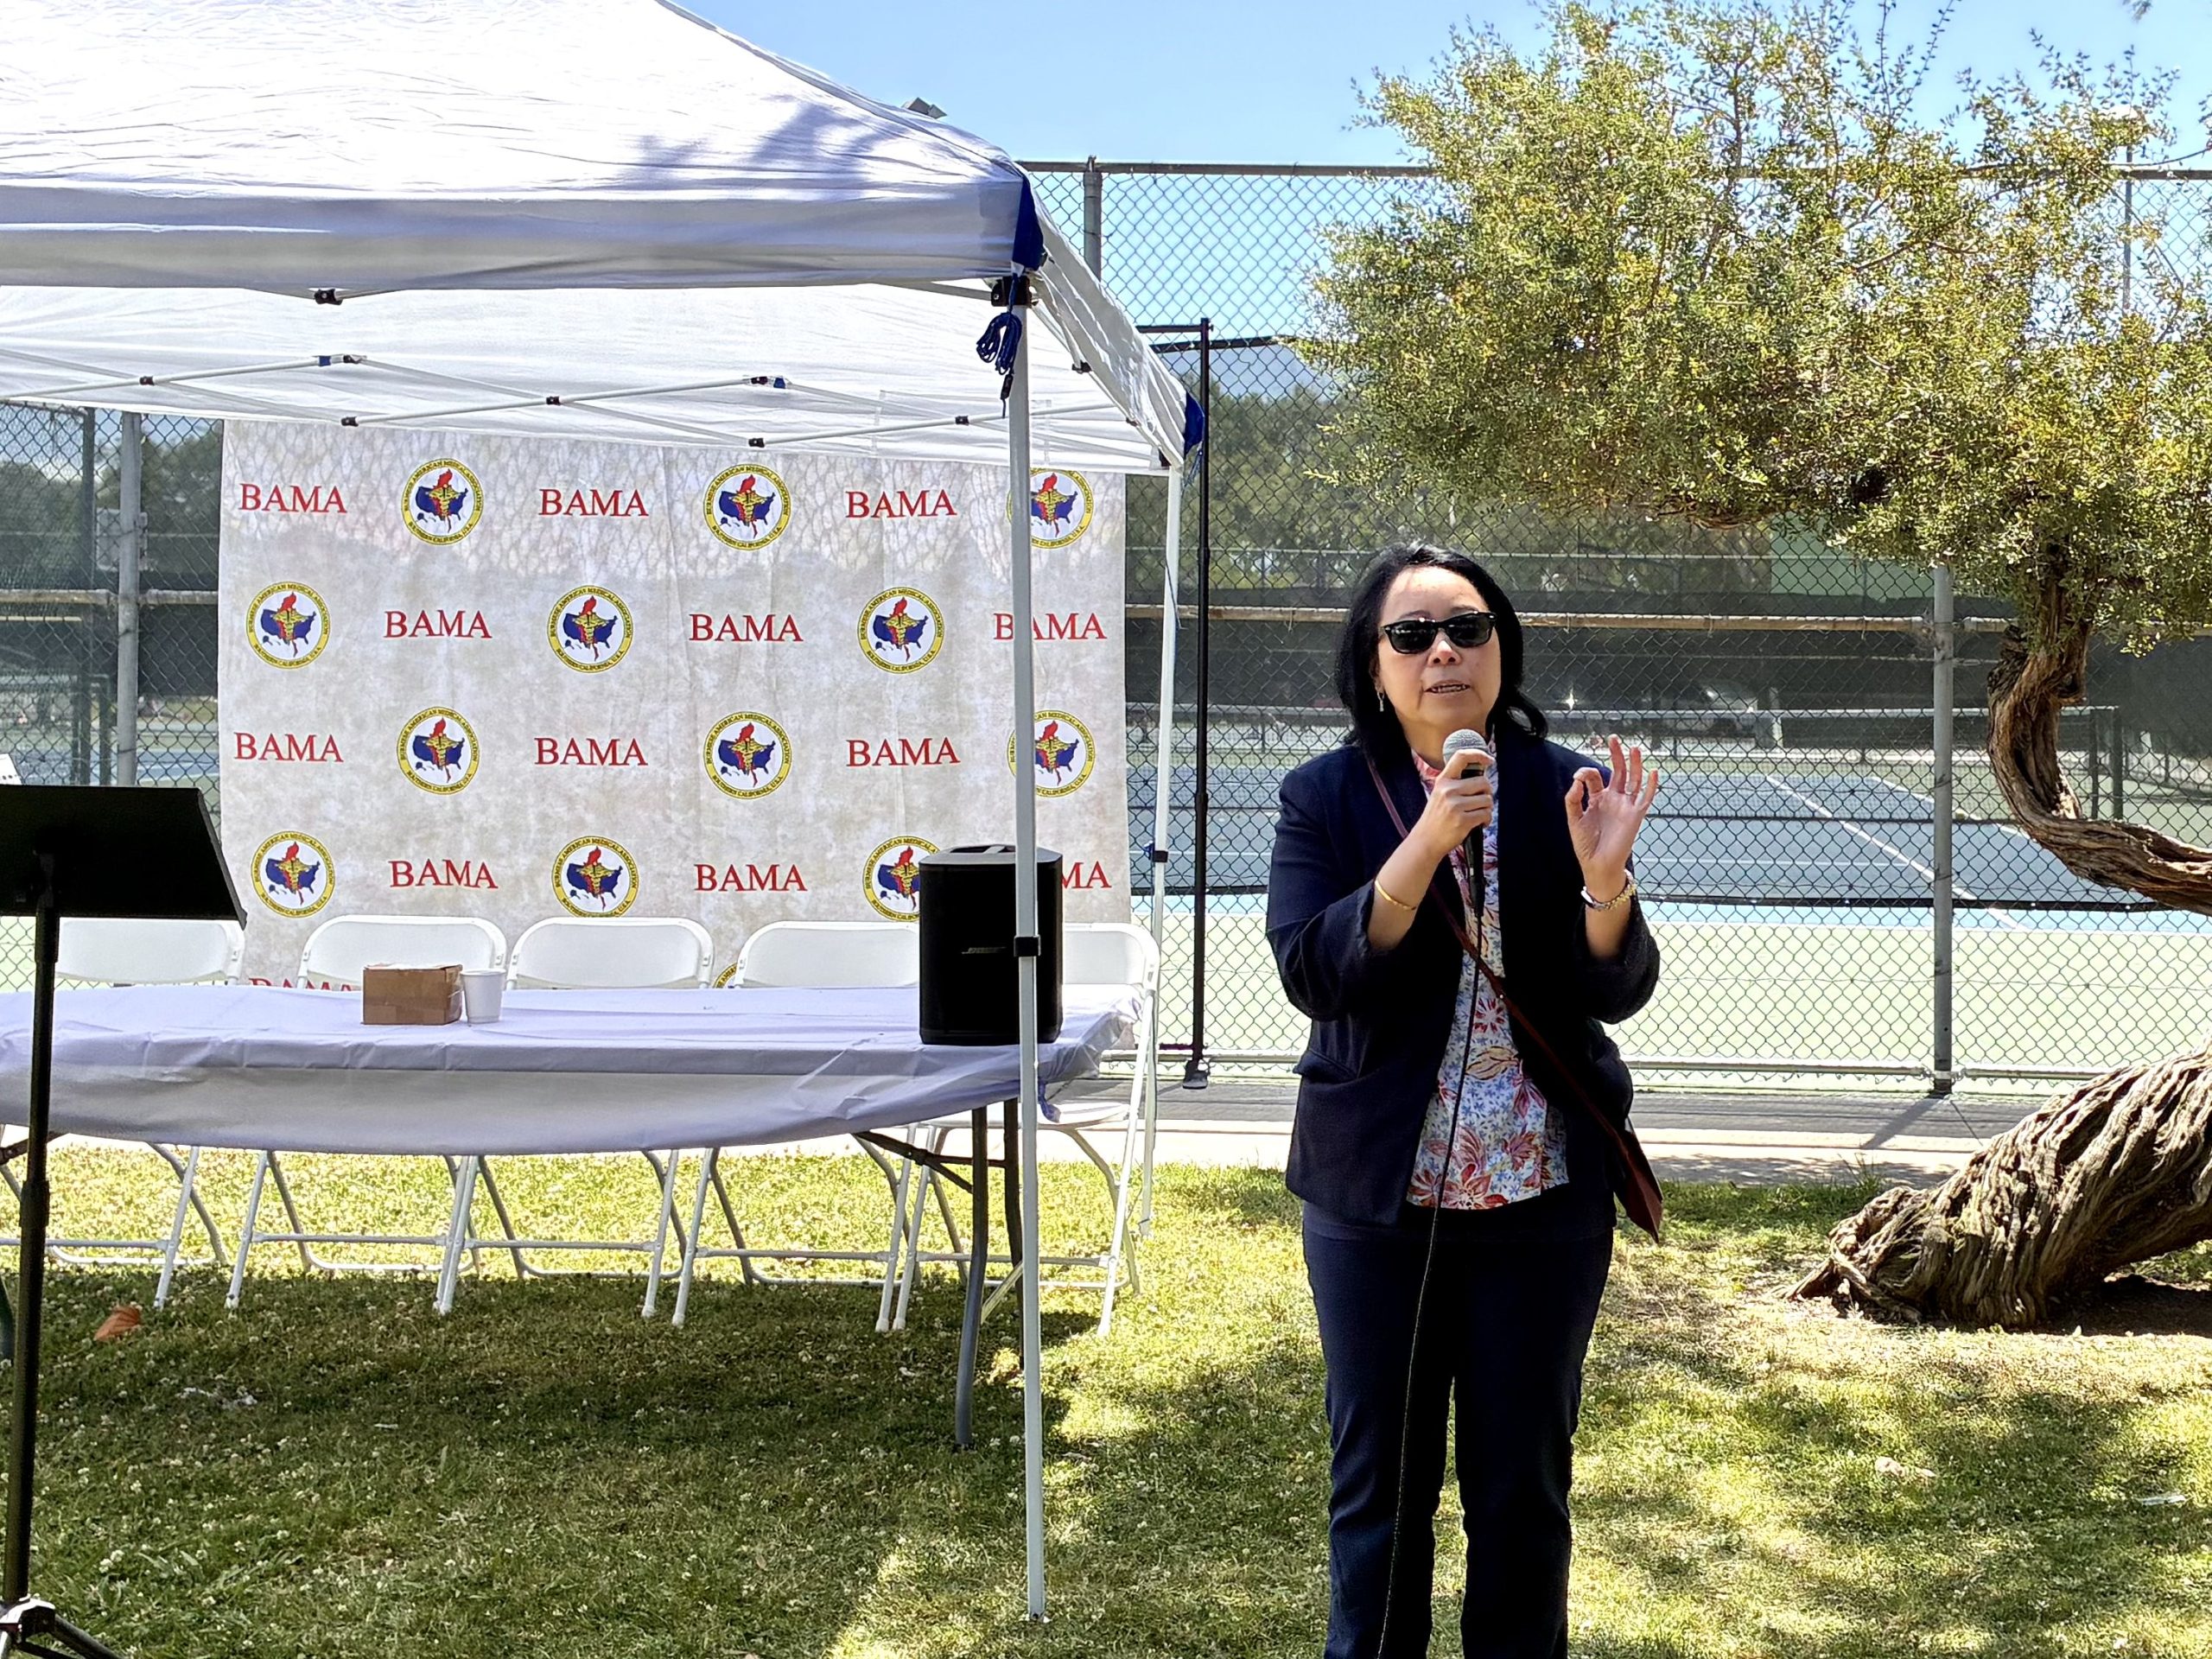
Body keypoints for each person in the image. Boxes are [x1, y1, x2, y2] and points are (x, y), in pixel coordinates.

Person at [1266, 543, 1665, 1659]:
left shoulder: (1562, 787)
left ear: (1500, 651)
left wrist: (1605, 884)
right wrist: (1427, 841)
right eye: (1413, 635)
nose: (1443, 651)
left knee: (1522, 1498)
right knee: (1379, 1504)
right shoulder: (1324, 797)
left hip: (1540, 1204)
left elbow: (1615, 989)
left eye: (1468, 628)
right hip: (1376, 1204)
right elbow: (1314, 971)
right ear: (1376, 665)